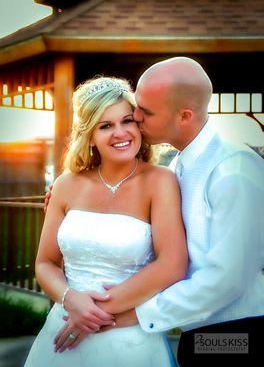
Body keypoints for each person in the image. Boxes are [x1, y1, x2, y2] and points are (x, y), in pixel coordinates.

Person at [45, 57, 264, 365]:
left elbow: (227, 279)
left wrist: (133, 315)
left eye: (143, 112)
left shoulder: (233, 169)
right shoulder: (177, 168)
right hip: (196, 334)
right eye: (106, 124)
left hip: (238, 335)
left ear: (184, 116)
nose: (135, 117)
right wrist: (73, 210)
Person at [24, 76, 188, 367]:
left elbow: (172, 263)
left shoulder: (160, 181)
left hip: (129, 340)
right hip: (62, 331)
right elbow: (45, 263)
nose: (120, 133)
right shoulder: (66, 185)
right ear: (89, 135)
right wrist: (69, 298)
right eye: (105, 125)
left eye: (127, 121)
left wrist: (93, 315)